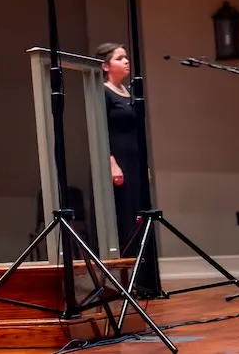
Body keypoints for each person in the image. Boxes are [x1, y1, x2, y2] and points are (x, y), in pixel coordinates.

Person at [95, 43, 157, 293]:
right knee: (127, 219)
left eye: (126, 57)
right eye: (120, 58)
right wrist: (111, 164)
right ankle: (127, 282)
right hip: (118, 163)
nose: (126, 61)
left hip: (135, 162)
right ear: (106, 66)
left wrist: (145, 165)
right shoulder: (103, 93)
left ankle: (147, 281)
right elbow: (101, 132)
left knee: (144, 218)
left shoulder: (129, 93)